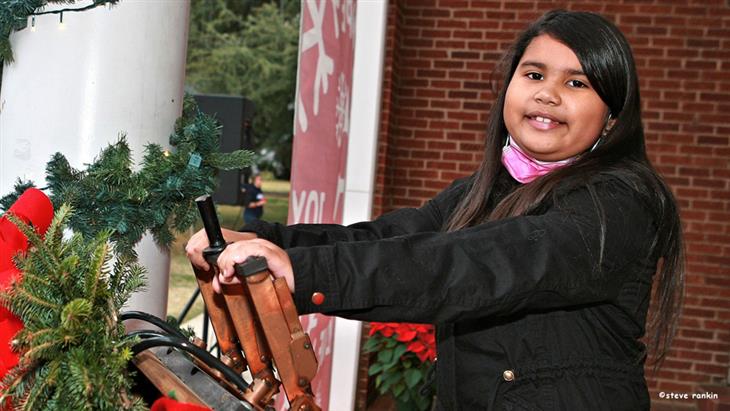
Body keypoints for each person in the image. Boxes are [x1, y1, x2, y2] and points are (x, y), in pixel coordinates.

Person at [186, 10, 684, 410]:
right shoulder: (489, 187)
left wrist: (303, 270)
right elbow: (390, 237)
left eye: (578, 84)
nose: (547, 93)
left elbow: (480, 263)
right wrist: (259, 239)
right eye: (534, 74)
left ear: (612, 116)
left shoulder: (622, 201)